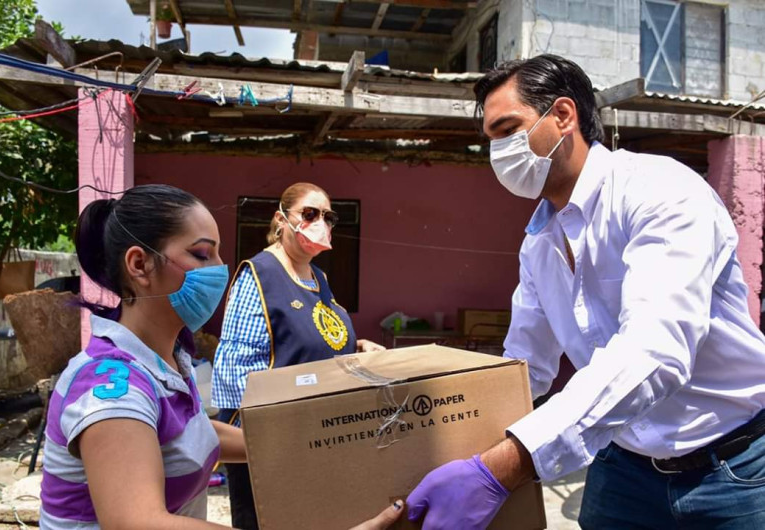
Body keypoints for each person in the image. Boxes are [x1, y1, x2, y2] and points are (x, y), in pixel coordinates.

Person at [406, 54, 765, 529]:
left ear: (562, 116)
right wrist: (438, 436)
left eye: (508, 129)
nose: (498, 151)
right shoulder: (538, 244)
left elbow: (654, 351)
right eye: (490, 139)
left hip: (734, 470)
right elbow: (524, 368)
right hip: (624, 468)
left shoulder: (660, 191)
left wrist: (501, 469)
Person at [40, 184, 400, 529]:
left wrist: (310, 442)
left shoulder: (167, 362)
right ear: (139, 265)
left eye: (217, 252)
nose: (219, 269)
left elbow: (187, 432)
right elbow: (137, 522)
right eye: (201, 254)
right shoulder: (112, 389)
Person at [212, 182, 384, 529]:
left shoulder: (318, 278)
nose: (321, 222)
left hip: (316, 433)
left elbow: (317, 338)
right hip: (270, 443)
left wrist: (357, 347)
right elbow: (233, 372)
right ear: (281, 220)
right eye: (309, 214)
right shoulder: (259, 275)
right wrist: (262, 439)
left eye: (328, 216)